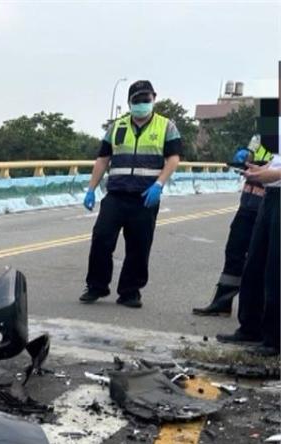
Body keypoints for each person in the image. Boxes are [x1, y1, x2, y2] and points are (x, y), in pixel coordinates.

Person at [79, 80, 182, 308]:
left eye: (146, 100)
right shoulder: (117, 126)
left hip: (145, 196)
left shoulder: (166, 126)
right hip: (116, 194)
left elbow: (173, 158)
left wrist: (159, 184)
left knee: (139, 245)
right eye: (137, 100)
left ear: (154, 98)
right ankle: (96, 285)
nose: (142, 104)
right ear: (129, 102)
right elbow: (103, 159)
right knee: (102, 238)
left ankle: (130, 291)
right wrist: (91, 189)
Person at [193, 135, 273, 316]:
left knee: (263, 261)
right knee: (234, 252)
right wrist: (245, 157)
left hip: (269, 206)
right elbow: (251, 155)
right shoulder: (263, 131)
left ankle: (261, 313)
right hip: (248, 202)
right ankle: (223, 301)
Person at [217, 155, 281, 357]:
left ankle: (274, 339)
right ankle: (250, 328)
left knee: (275, 270)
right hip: (270, 195)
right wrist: (261, 170)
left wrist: (271, 174)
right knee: (255, 264)